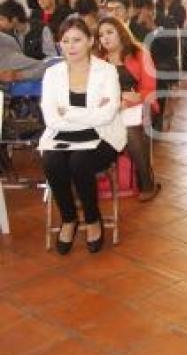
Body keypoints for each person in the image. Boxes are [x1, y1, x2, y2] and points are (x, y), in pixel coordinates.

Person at [39, 18, 127, 254]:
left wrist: (68, 112)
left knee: (80, 162)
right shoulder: (52, 74)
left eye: (77, 40)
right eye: (65, 41)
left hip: (102, 136)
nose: (71, 46)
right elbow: (51, 119)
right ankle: (69, 219)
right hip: (62, 135)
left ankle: (92, 219)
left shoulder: (106, 71)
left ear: (90, 41)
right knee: (51, 161)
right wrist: (88, 113)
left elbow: (107, 115)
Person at [95, 18, 160, 201]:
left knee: (130, 131)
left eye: (109, 32)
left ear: (121, 32)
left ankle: (147, 183)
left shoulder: (139, 53)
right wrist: (121, 98)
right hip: (111, 108)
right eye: (101, 35)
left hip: (142, 106)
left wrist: (128, 100)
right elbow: (96, 92)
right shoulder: (99, 60)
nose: (105, 38)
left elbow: (148, 89)